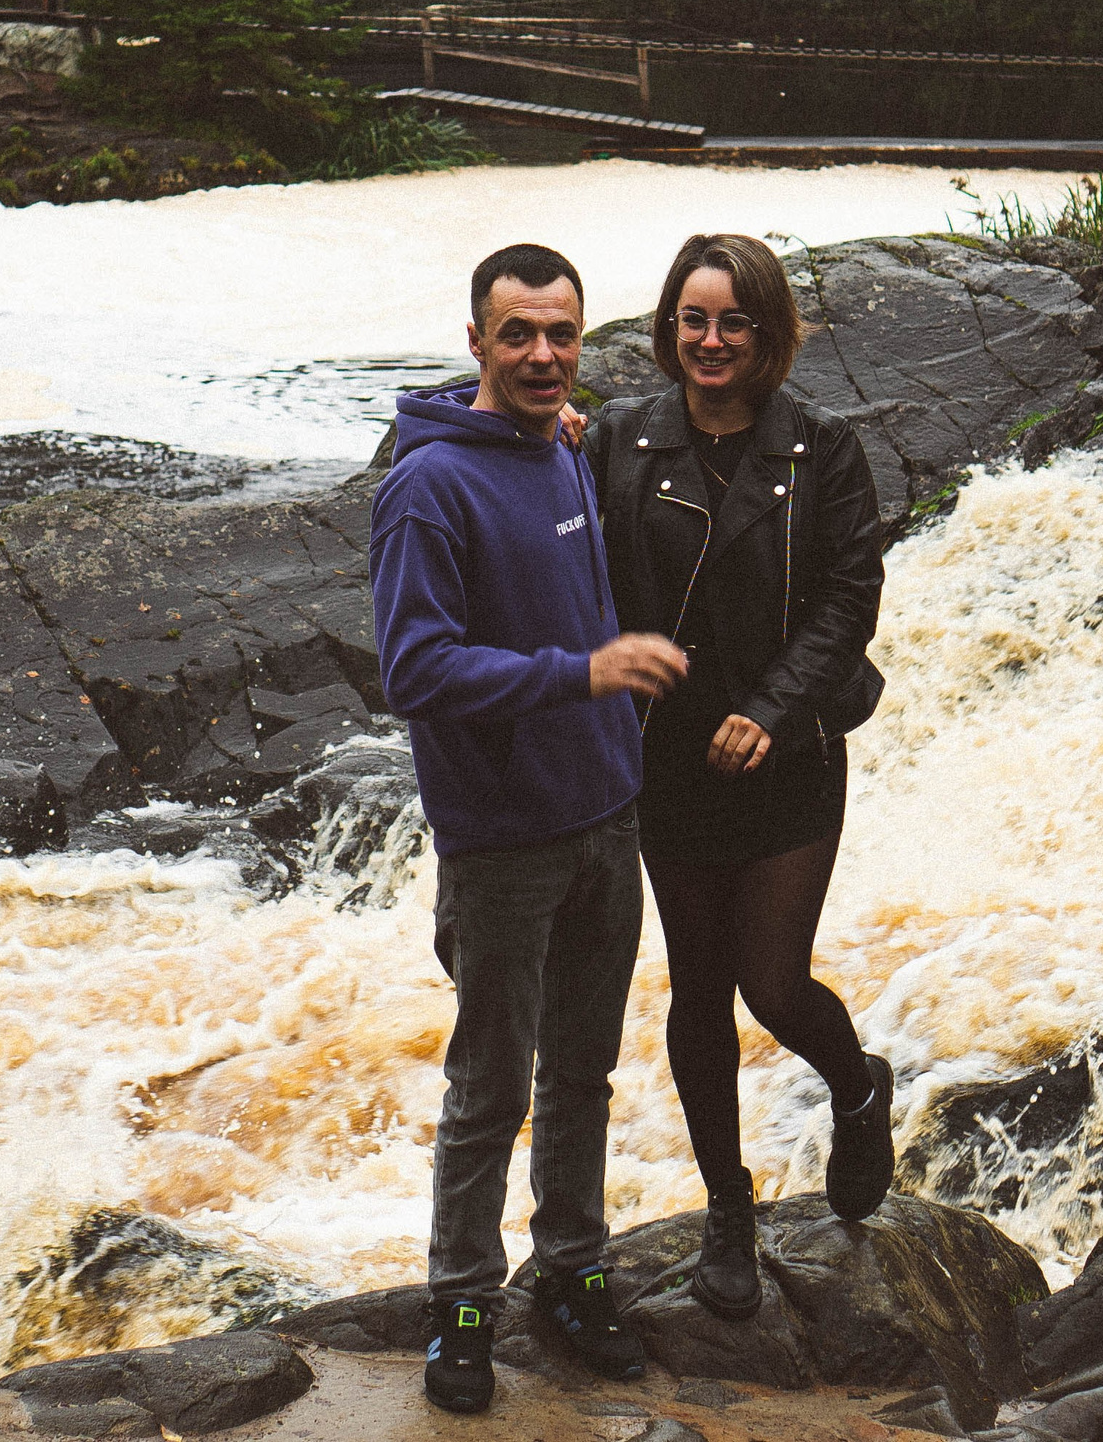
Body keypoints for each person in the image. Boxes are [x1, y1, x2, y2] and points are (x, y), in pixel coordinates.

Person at [370, 242, 691, 1415]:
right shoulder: (426, 489)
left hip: (607, 817)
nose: (545, 356)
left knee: (585, 1076)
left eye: (561, 334)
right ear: (476, 345)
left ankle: (572, 1273)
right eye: (519, 335)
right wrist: (582, 673)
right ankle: (462, 1303)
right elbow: (414, 668)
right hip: (501, 835)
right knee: (489, 1084)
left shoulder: (557, 450)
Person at [584, 232, 892, 1322]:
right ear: (669, 327)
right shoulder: (617, 439)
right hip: (666, 760)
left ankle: (858, 1092)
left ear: (768, 333)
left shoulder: (823, 446)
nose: (709, 341)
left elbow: (849, 597)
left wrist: (770, 709)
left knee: (772, 983)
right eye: (691, 319)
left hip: (788, 751)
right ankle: (728, 1206)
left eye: (732, 322)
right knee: (697, 988)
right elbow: (559, 539)